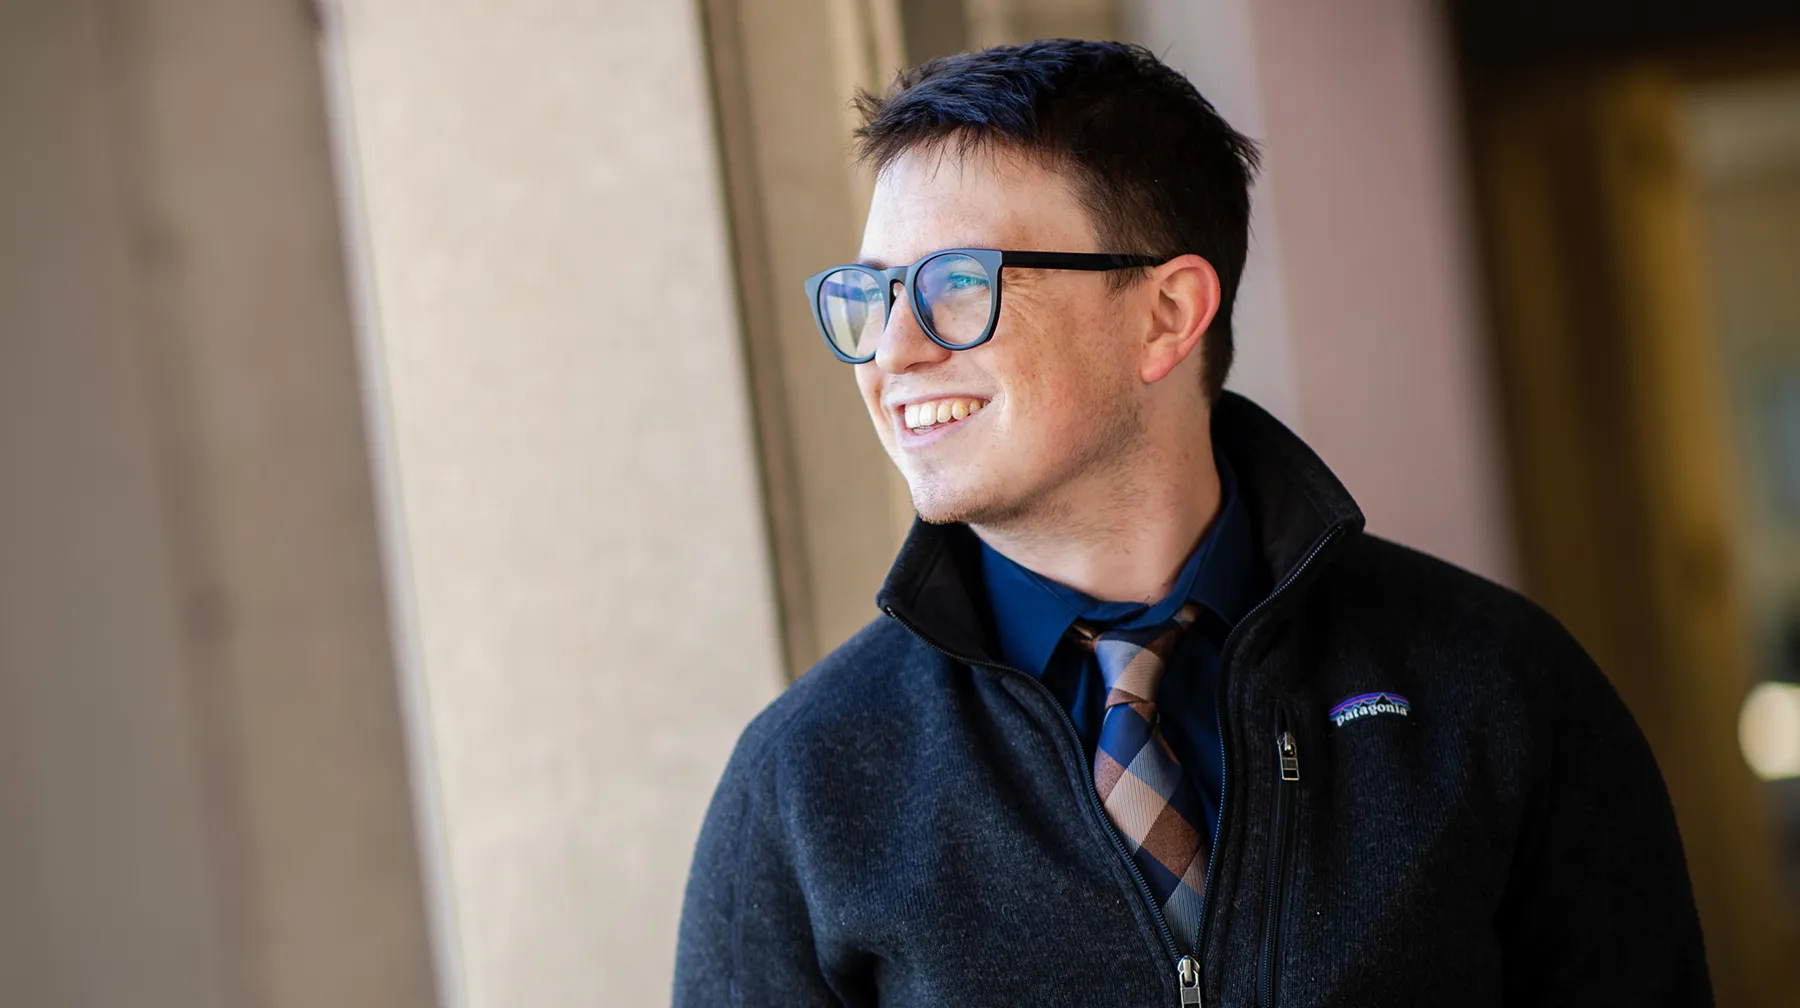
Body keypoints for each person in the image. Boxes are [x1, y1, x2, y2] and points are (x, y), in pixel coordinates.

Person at [674, 39, 1710, 1007]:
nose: (892, 352)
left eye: (958, 286)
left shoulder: (1495, 688)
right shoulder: (805, 784)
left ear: (1167, 315)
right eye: (869, 296)